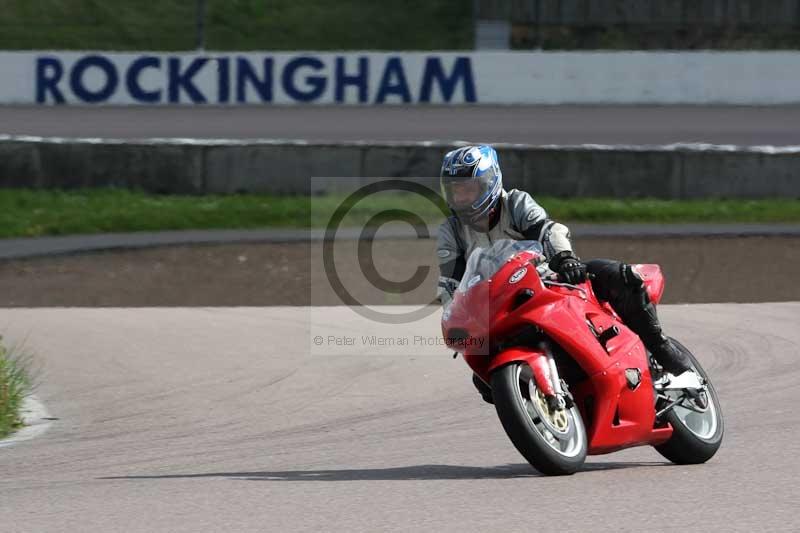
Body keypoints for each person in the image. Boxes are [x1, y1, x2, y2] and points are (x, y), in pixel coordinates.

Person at [435, 145, 703, 401]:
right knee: (484, 382)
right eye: (455, 191)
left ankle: (665, 354)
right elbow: (451, 282)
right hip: (497, 305)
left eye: (467, 190)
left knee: (617, 276)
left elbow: (547, 230)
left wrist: (564, 258)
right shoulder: (451, 231)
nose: (460, 198)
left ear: (488, 183)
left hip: (544, 280)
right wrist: (456, 319)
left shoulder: (515, 203)